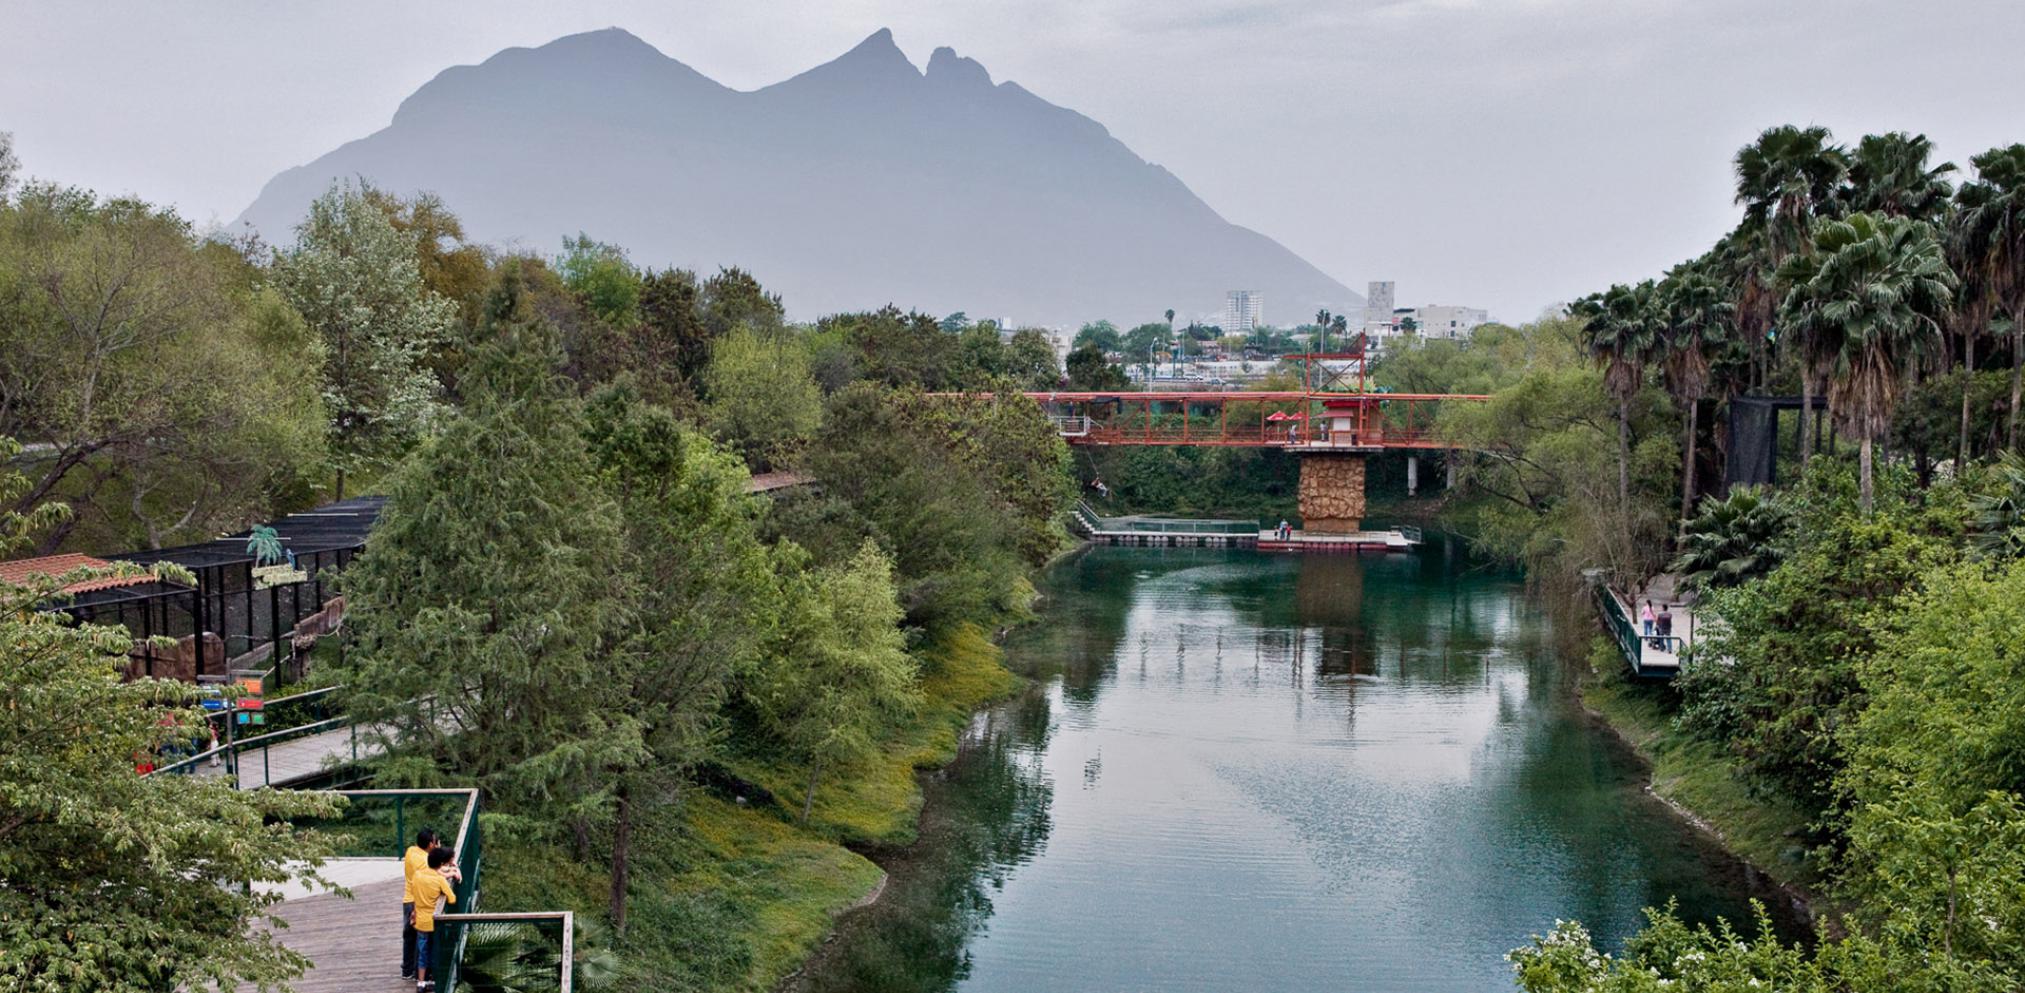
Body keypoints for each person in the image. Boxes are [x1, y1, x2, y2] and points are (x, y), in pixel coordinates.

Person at [411, 846, 459, 992]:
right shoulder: (439, 880)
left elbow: (413, 891)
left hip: (420, 921)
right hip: (434, 921)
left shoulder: (417, 875)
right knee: (434, 951)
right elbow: (452, 899)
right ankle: (433, 979)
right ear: (441, 864)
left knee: (422, 951)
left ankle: (420, 982)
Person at [402, 828, 439, 980]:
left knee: (408, 936)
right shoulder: (425, 861)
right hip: (417, 903)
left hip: (407, 899)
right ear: (431, 844)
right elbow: (436, 874)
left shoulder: (411, 851)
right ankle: (420, 974)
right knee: (421, 938)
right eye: (435, 841)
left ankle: (407, 970)